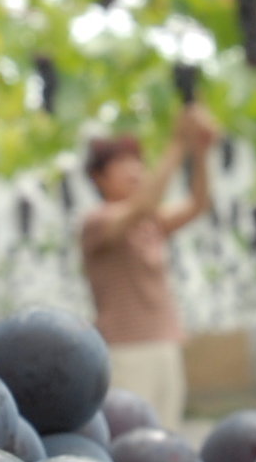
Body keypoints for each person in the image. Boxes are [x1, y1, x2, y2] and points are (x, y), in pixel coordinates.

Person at [79, 103, 221, 429]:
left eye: (137, 162)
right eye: (121, 163)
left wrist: (200, 152)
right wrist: (178, 144)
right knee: (132, 441)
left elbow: (199, 203)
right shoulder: (97, 222)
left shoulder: (151, 223)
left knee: (165, 438)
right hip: (126, 353)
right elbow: (144, 204)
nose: (134, 170)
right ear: (98, 177)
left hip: (166, 345)